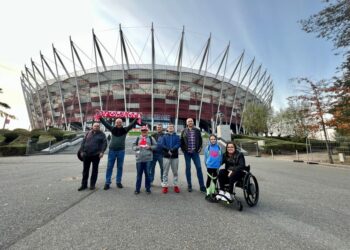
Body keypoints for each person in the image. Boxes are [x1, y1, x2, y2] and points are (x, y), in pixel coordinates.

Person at [100, 117, 138, 190]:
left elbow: (131, 124)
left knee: (120, 167)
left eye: (120, 122)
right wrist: (100, 118)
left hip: (121, 151)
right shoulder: (112, 128)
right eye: (117, 122)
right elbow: (105, 124)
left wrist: (136, 118)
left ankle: (118, 182)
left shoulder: (125, 129)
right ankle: (107, 182)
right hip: (112, 151)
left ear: (122, 123)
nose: (118, 123)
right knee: (109, 167)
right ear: (115, 123)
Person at [78, 122, 107, 191]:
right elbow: (83, 142)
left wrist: (102, 152)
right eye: (95, 126)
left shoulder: (102, 134)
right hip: (86, 154)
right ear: (92, 126)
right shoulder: (88, 133)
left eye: (97, 126)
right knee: (85, 170)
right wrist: (81, 151)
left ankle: (92, 184)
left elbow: (104, 144)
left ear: (99, 127)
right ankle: (83, 185)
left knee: (94, 170)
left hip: (96, 155)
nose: (96, 127)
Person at [180, 118, 206, 193]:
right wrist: (183, 150)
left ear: (193, 122)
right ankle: (189, 185)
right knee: (188, 168)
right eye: (189, 121)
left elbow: (200, 140)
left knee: (199, 168)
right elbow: (181, 141)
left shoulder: (197, 130)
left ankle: (202, 186)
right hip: (187, 153)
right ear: (186, 123)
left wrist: (200, 148)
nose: (190, 122)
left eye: (191, 121)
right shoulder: (183, 131)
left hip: (195, 153)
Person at [132, 126, 157, 194]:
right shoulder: (137, 138)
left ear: (147, 131)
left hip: (148, 159)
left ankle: (148, 188)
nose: (144, 132)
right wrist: (138, 147)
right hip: (139, 159)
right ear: (141, 131)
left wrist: (150, 147)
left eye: (145, 130)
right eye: (143, 130)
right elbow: (133, 147)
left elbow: (156, 146)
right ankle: (137, 189)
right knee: (139, 175)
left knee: (147, 175)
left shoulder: (151, 138)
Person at [160, 123, 181, 193]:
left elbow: (178, 144)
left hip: (175, 156)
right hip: (166, 156)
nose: (171, 128)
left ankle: (176, 185)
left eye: (172, 127)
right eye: (169, 127)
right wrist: (168, 150)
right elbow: (162, 145)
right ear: (167, 128)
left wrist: (172, 150)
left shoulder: (177, 136)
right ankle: (165, 186)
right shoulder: (164, 136)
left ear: (174, 128)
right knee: (165, 172)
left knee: (175, 172)